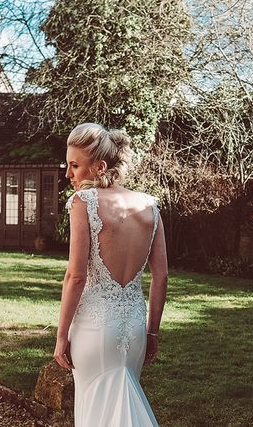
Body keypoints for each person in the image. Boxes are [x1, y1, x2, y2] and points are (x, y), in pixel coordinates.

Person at [53, 123, 168, 426]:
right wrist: (152, 332)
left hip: (95, 331)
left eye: (75, 165)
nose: (68, 174)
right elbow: (161, 276)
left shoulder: (84, 202)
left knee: (97, 416)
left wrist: (61, 335)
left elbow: (75, 277)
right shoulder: (149, 205)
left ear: (100, 166)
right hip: (134, 331)